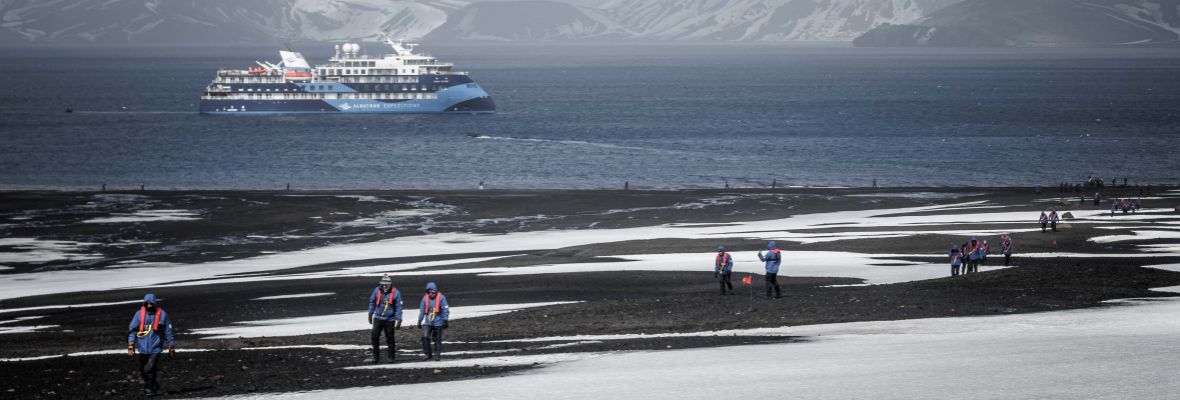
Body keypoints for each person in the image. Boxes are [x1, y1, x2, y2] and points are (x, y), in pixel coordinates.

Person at [127, 294, 175, 397]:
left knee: (149, 369)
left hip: (156, 348)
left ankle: (148, 389)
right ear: (144, 303)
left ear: (154, 303)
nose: (149, 305)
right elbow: (132, 330)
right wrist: (131, 346)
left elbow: (168, 331)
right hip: (143, 348)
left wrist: (171, 346)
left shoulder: (162, 314)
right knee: (143, 371)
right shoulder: (139, 315)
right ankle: (155, 385)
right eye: (146, 303)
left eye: (151, 303)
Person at [367, 274, 403, 363]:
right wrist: (370, 313)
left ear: (390, 284)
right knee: (374, 336)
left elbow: (399, 307)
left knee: (390, 338)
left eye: (387, 284)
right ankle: (376, 357)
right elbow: (372, 302)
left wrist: (399, 319)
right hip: (378, 317)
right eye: (384, 284)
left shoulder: (396, 293)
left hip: (390, 319)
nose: (385, 286)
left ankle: (391, 357)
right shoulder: (377, 291)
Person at [417, 282, 449, 361]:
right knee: (425, 337)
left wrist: (445, 320)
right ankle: (428, 354)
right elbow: (422, 310)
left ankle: (437, 355)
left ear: (435, 291)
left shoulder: (442, 298)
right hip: (428, 322)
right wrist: (419, 320)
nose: (430, 294)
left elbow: (445, 310)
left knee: (437, 339)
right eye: (428, 292)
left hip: (438, 322)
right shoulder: (425, 298)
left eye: (432, 292)